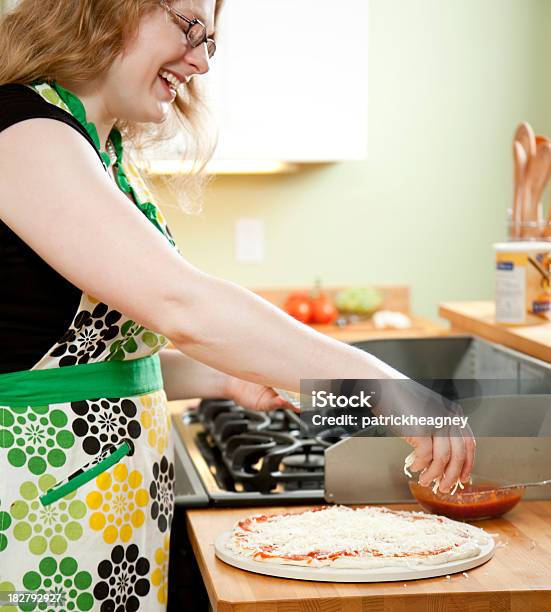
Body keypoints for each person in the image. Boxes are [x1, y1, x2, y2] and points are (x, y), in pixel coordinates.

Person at [0, 1, 475, 609]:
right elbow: (183, 304)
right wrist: (384, 389)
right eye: (189, 26)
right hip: (32, 518)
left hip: (91, 522)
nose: (199, 61)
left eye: (210, 42)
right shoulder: (23, 131)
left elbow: (71, 366)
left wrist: (221, 376)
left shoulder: (98, 150)